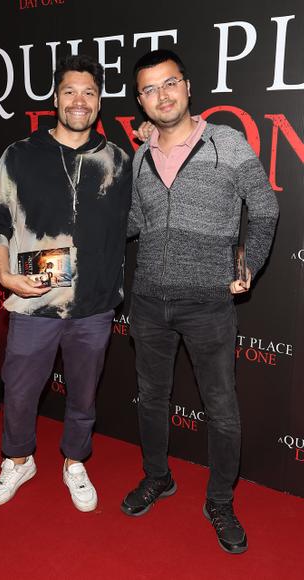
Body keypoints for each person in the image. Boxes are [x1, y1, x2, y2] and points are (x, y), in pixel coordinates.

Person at [121, 49, 279, 554]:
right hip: (147, 301)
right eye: (148, 89)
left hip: (208, 303)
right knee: (151, 399)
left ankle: (219, 501)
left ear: (187, 86)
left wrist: (247, 265)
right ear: (141, 102)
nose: (160, 96)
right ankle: (158, 477)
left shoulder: (226, 142)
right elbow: (132, 224)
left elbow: (266, 207)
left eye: (168, 84)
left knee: (222, 408)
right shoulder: (140, 156)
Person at [0, 54, 132, 512]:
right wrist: (4, 274)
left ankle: (75, 461)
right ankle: (19, 458)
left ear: (99, 101)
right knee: (21, 391)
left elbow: (137, 221)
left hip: (95, 306)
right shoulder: (20, 155)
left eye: (88, 92)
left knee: (84, 393)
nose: (78, 101)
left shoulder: (119, 161)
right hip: (33, 302)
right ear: (56, 98)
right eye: (69, 91)